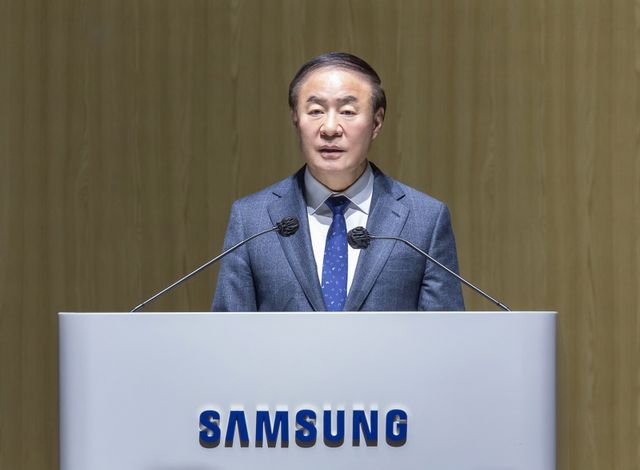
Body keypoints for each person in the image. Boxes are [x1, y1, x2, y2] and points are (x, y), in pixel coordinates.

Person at [213, 52, 464, 312]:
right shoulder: (252, 220)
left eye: (347, 111)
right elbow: (229, 332)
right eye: (315, 111)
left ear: (376, 122)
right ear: (295, 119)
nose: (330, 128)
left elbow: (444, 333)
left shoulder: (424, 220)